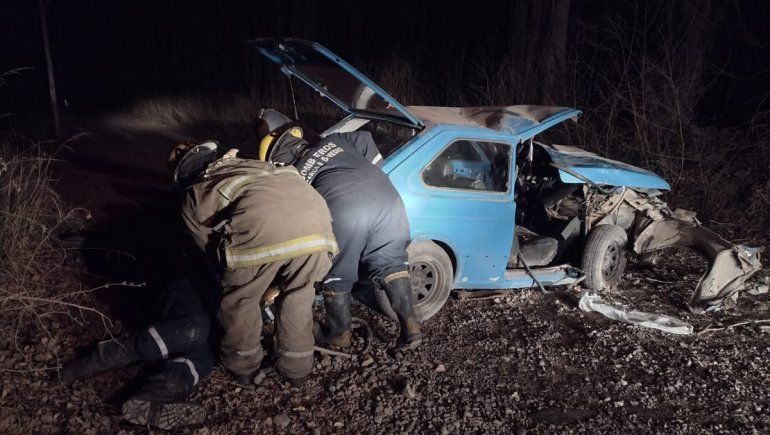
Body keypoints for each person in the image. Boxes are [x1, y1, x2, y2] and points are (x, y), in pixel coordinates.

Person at [255, 109, 422, 351]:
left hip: (346, 211)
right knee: (392, 264)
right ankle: (411, 329)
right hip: (388, 199)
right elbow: (365, 139)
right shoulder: (335, 140)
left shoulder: (292, 176)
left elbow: (298, 221)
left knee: (337, 273)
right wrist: (373, 175)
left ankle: (339, 335)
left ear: (276, 160)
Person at [177, 141, 337, 387]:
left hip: (263, 230)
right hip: (319, 229)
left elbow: (207, 248)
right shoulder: (250, 165)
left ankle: (244, 368)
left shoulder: (195, 191)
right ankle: (297, 372)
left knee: (241, 300)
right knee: (298, 297)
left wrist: (236, 277)